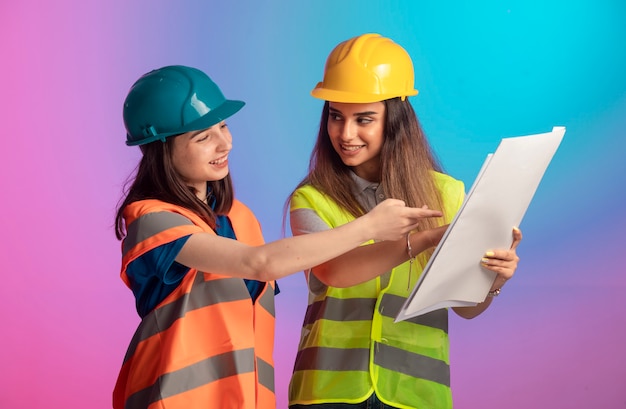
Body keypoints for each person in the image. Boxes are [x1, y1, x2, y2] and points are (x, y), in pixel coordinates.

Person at [112, 65, 443, 409]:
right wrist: (369, 227)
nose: (225, 143)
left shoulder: (239, 218)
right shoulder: (152, 220)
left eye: (223, 127)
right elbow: (260, 263)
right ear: (160, 148)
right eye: (203, 137)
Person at [287, 34, 522, 409]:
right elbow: (334, 270)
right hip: (328, 392)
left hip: (418, 395)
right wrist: (424, 240)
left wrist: (492, 281)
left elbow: (465, 307)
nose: (345, 134)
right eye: (336, 116)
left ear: (394, 120)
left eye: (363, 119)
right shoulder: (313, 198)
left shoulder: (447, 195)